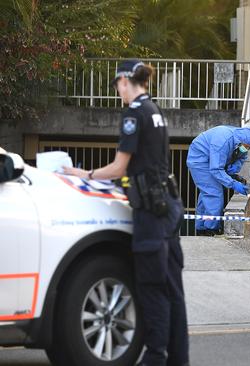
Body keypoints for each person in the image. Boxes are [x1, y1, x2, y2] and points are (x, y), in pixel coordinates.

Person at [63, 60, 189, 366]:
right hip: (168, 205)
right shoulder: (155, 110)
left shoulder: (134, 114)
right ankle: (178, 358)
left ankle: (156, 356)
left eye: (117, 85)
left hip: (151, 213)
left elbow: (120, 167)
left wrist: (84, 173)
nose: (118, 91)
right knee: (173, 289)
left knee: (152, 287)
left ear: (124, 81)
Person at [186, 126, 250, 236]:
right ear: (240, 141)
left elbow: (242, 156)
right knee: (214, 192)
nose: (247, 148)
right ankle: (212, 228)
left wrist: (235, 166)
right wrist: (233, 184)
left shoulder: (242, 141)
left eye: (249, 147)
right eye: (246, 146)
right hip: (199, 159)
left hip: (212, 159)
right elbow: (216, 169)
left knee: (207, 193)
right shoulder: (222, 141)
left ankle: (201, 227)